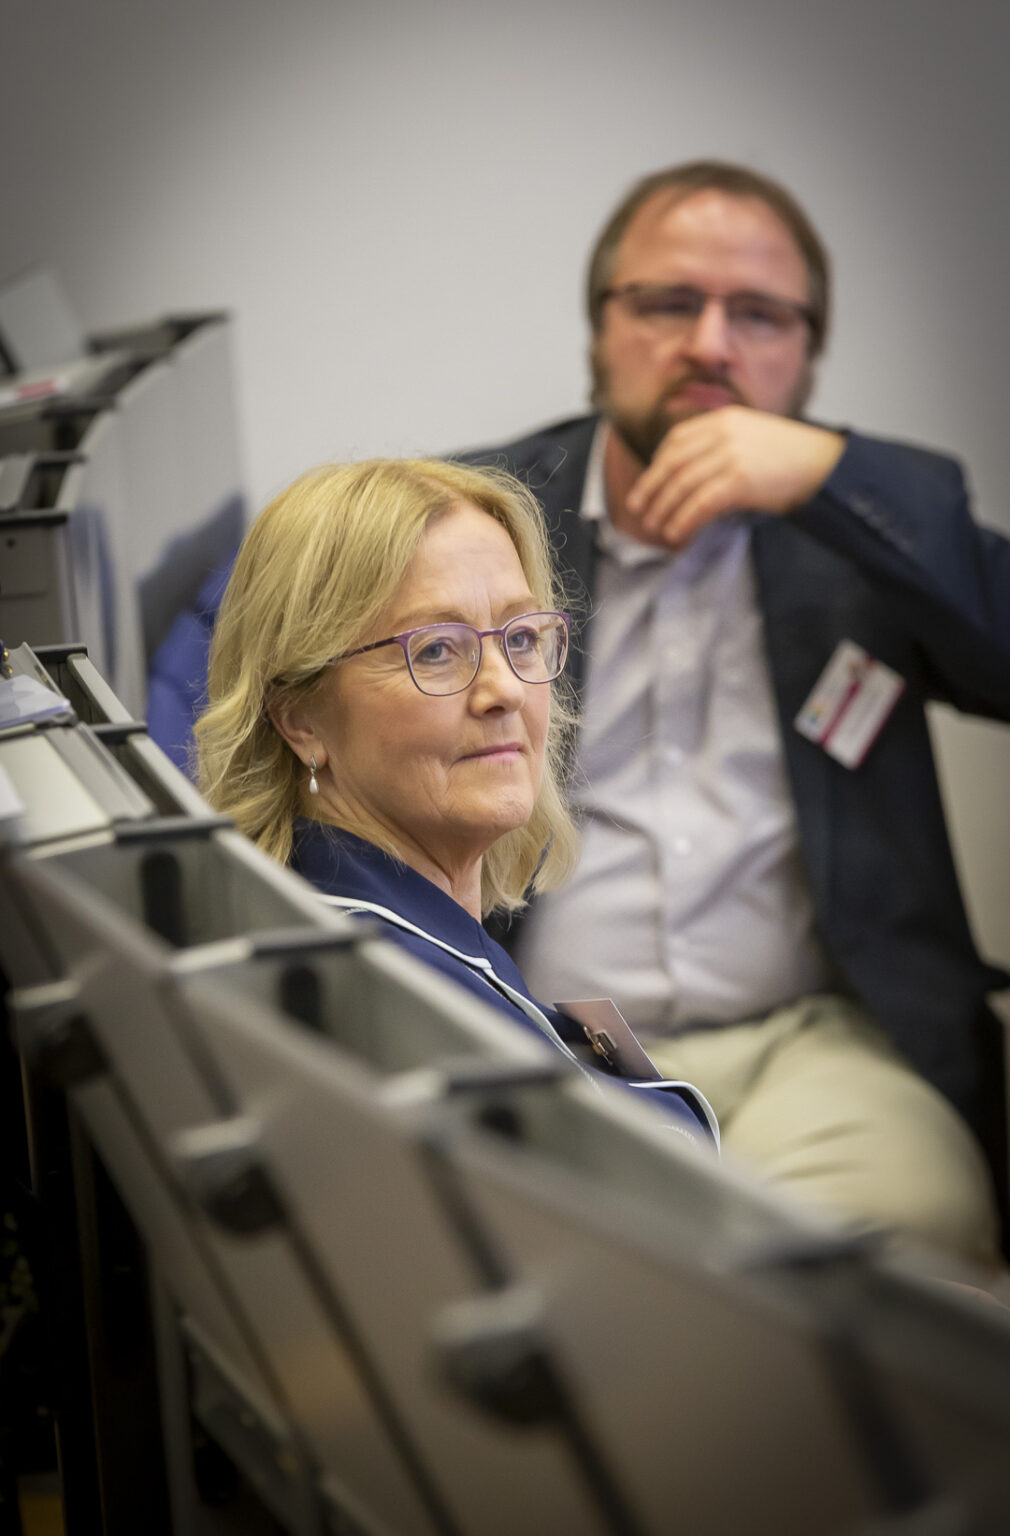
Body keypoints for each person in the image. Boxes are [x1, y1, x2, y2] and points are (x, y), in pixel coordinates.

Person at [458, 159, 1010, 1266]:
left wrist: (835, 478)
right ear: (600, 331)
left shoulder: (863, 536)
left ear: (807, 354)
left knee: (896, 1250)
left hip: (820, 1047)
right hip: (547, 1041)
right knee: (577, 1271)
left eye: (758, 314)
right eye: (667, 303)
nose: (710, 345)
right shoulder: (481, 521)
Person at [194, 456, 717, 1147]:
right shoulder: (402, 996)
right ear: (300, 720)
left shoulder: (356, 919)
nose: (505, 690)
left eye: (521, 637)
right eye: (438, 650)